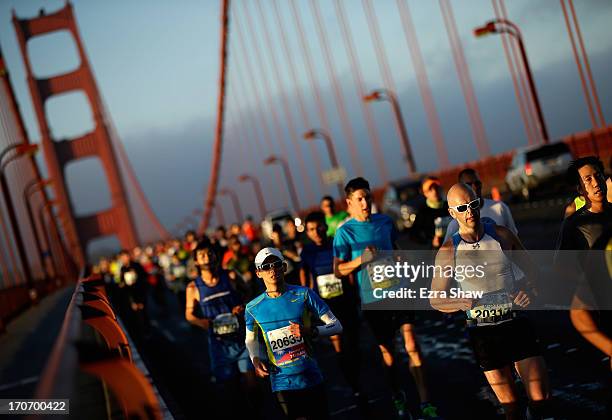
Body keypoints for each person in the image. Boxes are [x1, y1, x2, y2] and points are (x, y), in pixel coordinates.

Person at [431, 183, 552, 420]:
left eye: (474, 204)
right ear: (451, 213)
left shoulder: (502, 236)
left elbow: (536, 275)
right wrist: (459, 302)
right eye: (462, 207)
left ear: (480, 203)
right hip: (484, 334)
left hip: (516, 323)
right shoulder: (449, 251)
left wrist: (530, 293)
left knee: (541, 399)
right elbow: (436, 299)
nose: (470, 212)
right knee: (511, 407)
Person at [333, 177, 439, 419]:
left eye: (368, 197)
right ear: (349, 203)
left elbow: (395, 247)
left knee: (412, 344)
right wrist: (360, 261)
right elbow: (338, 269)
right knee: (388, 353)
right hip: (374, 299)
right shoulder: (344, 232)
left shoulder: (385, 222)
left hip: (399, 290)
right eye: (359, 199)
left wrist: (401, 258)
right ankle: (397, 395)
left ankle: (426, 402)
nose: (365, 203)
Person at [244, 247, 342, 419]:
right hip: (282, 381)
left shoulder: (304, 294)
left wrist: (309, 331)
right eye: (266, 267)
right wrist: (256, 359)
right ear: (258, 273)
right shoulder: (253, 308)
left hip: (310, 374)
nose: (272, 270)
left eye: (276, 264)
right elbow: (250, 340)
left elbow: (336, 326)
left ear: (284, 267)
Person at [299, 211, 364, 406]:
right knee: (339, 347)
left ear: (325, 227)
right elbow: (306, 277)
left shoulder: (337, 243)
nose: (316, 232)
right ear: (307, 232)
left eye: (319, 227)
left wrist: (356, 292)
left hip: (346, 299)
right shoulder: (307, 252)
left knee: (353, 342)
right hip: (325, 306)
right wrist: (306, 302)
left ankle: (357, 376)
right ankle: (355, 387)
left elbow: (348, 268)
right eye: (311, 229)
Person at [185, 241, 258, 412]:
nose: (207, 257)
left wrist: (242, 306)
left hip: (241, 340)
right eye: (202, 255)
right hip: (219, 346)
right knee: (231, 391)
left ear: (216, 255)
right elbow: (189, 314)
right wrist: (201, 322)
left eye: (210, 253)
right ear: (196, 261)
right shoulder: (193, 287)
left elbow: (248, 292)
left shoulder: (230, 275)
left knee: (253, 386)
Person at [444, 168, 518, 241]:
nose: (474, 187)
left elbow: (514, 238)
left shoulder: (500, 207)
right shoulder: (454, 225)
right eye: (469, 184)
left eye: (477, 183)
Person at [412, 176, 450, 249]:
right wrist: (431, 241)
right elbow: (414, 235)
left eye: (436, 187)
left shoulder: (449, 205)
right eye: (430, 189)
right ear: (425, 193)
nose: (434, 191)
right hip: (436, 251)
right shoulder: (423, 212)